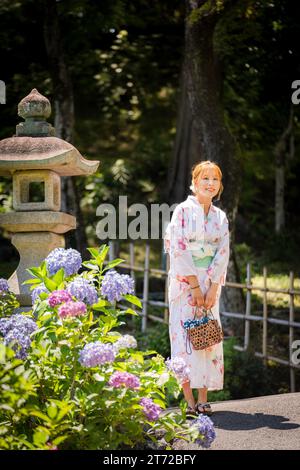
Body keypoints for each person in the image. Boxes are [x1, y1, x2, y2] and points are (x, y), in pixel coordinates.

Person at [164, 160, 230, 416]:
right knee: (184, 339)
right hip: (185, 283)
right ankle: (189, 400)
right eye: (205, 178)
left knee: (207, 339)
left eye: (215, 179)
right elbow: (178, 248)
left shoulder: (220, 216)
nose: (210, 183)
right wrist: (193, 285)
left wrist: (212, 287)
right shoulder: (182, 211)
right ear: (194, 182)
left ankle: (203, 398)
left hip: (210, 283)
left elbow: (223, 252)